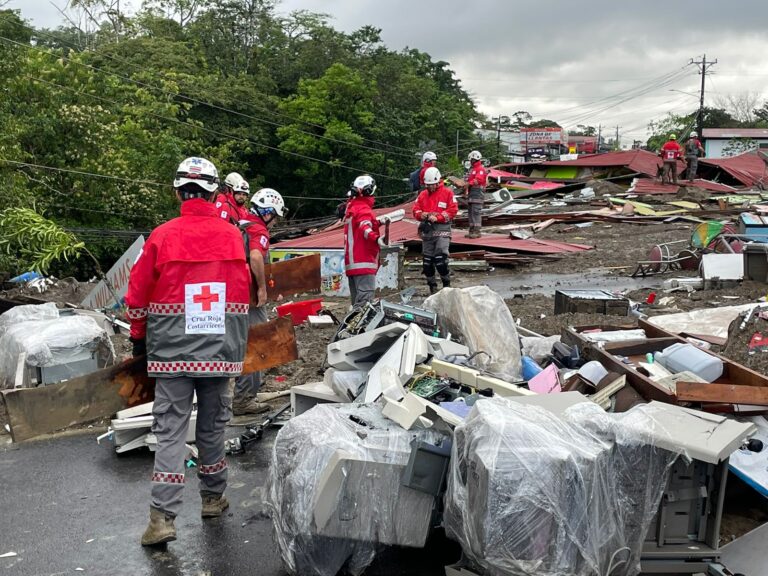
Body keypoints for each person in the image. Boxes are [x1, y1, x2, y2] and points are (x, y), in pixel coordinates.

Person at [125, 157, 250, 546]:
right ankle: (213, 498)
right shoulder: (232, 235)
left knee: (171, 431)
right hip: (219, 351)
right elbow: (242, 294)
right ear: (216, 192)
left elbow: (138, 291)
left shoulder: (162, 236)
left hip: (172, 354)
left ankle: (162, 518)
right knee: (213, 425)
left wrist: (138, 334)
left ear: (177, 191)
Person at [235, 187, 287, 415]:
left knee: (243, 344)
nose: (274, 223)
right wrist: (263, 289)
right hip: (250, 298)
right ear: (268, 213)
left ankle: (246, 391)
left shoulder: (241, 224)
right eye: (275, 217)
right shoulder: (258, 230)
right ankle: (244, 399)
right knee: (258, 343)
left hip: (234, 296)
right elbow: (256, 257)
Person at [413, 166, 458, 294]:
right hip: (427, 231)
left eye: (432, 185)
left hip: (442, 229)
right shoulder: (423, 194)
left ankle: (446, 284)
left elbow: (453, 210)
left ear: (438, 182)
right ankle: (432, 286)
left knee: (440, 260)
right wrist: (421, 214)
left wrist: (437, 217)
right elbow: (416, 209)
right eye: (427, 185)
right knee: (427, 263)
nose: (430, 188)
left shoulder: (447, 193)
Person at [343, 174, 386, 307]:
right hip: (364, 263)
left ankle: (352, 328)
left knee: (357, 304)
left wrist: (377, 222)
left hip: (353, 264)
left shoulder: (352, 208)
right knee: (364, 306)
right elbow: (364, 227)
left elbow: (360, 225)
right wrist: (377, 238)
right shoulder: (363, 209)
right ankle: (360, 328)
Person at [464, 150, 487, 238]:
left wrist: (467, 184)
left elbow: (479, 180)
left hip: (477, 194)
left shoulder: (480, 169)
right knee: (471, 212)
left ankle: (477, 231)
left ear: (473, 159)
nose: (470, 162)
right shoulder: (473, 169)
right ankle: (472, 230)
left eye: (471, 160)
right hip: (472, 194)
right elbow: (470, 180)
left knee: (476, 212)